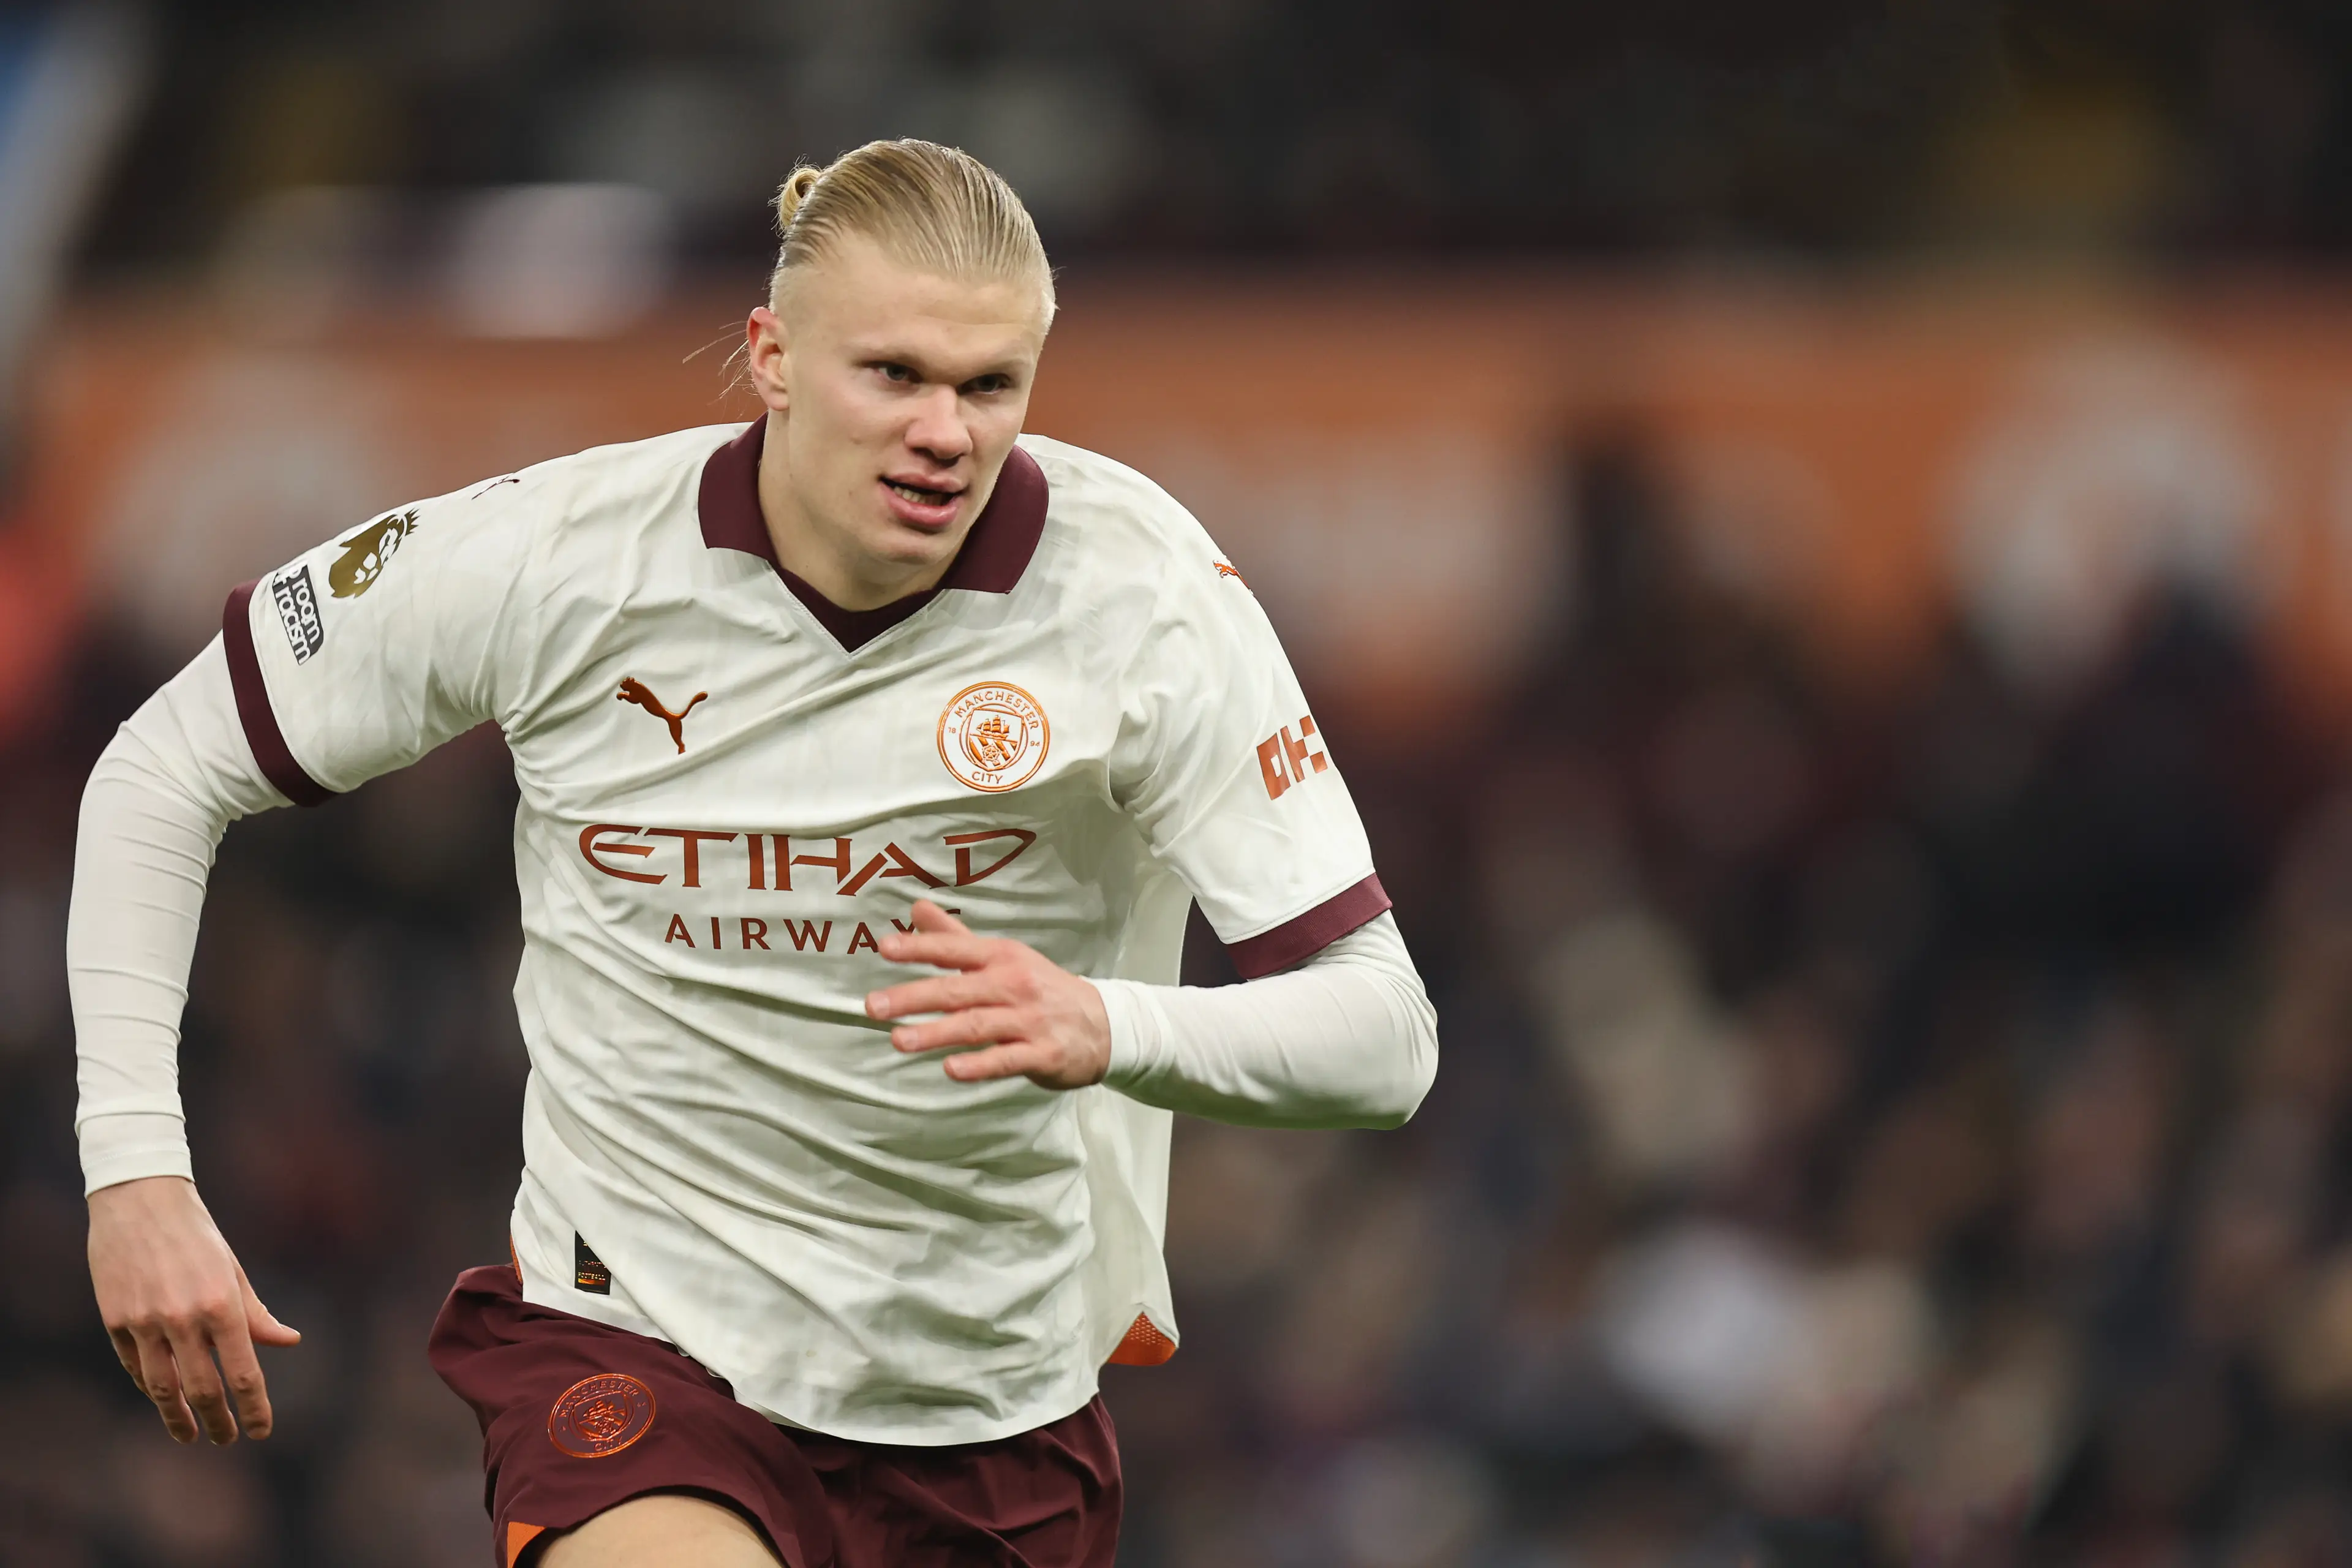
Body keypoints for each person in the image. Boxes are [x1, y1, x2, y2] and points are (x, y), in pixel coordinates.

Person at [69, 138, 1438, 1568]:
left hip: (990, 1407)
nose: (945, 431)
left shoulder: (1146, 597)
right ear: (771, 355)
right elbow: (163, 768)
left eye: (990, 387)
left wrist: (1107, 1023)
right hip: (640, 1350)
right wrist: (137, 1172)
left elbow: (1383, 1032)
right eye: (892, 375)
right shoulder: (565, 555)